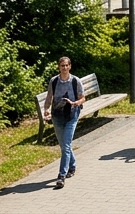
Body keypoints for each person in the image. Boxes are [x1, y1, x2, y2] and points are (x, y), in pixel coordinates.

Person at [43, 56, 84, 187]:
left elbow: (83, 98)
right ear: (59, 67)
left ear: (70, 66)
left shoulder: (75, 81)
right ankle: (72, 166)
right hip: (57, 115)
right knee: (64, 146)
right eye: (62, 66)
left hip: (72, 115)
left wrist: (76, 103)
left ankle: (61, 176)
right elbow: (49, 98)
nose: (65, 68)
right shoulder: (54, 81)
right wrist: (46, 110)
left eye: (67, 65)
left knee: (66, 145)